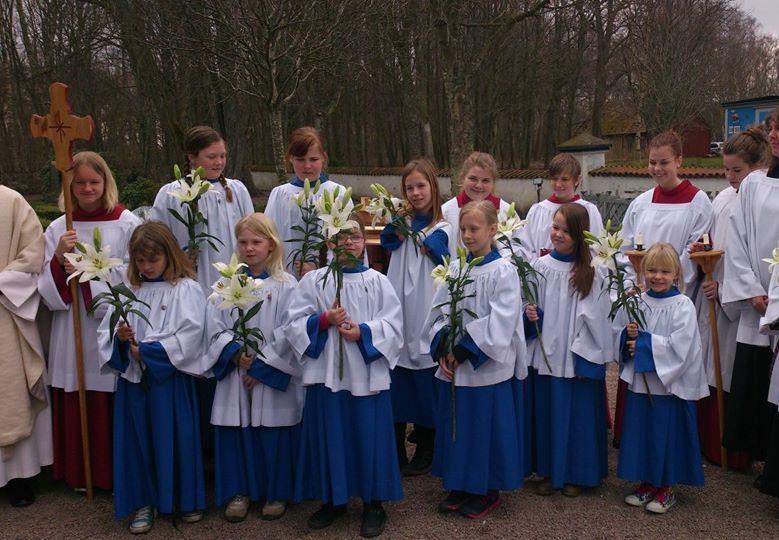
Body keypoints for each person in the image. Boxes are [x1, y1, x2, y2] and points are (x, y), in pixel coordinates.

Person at [282, 216, 403, 538]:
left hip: (365, 375)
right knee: (330, 435)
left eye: (354, 237)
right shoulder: (313, 281)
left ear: (364, 242)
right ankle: (332, 500)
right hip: (327, 376)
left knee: (369, 437)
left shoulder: (379, 281)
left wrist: (363, 332)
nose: (347, 243)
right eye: (339, 237)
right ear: (328, 243)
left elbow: (393, 327)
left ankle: (373, 503)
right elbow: (293, 323)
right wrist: (323, 319)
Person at [38, 151, 141, 491]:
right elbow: (46, 292)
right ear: (69, 186)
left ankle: (116, 473)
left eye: (93, 181)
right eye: (79, 182)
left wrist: (86, 276)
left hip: (109, 322)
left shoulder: (126, 223)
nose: (87, 188)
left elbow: (135, 274)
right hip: (71, 327)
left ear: (105, 182)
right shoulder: (58, 228)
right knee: (77, 390)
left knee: (111, 388)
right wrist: (57, 260)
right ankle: (81, 474)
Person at [97, 222, 207, 534]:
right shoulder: (128, 291)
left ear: (170, 255)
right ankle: (143, 502)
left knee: (176, 439)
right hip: (135, 384)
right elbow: (106, 333)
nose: (146, 267)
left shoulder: (185, 289)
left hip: (169, 382)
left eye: (153, 260)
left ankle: (184, 500)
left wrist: (148, 351)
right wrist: (120, 338)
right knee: (138, 441)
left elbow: (193, 332)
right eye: (140, 261)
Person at [425, 201, 525, 519]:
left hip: (484, 364)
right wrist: (443, 345)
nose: (467, 235)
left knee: (485, 426)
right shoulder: (456, 268)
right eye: (463, 229)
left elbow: (503, 319)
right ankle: (460, 483)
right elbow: (439, 309)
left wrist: (465, 349)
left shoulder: (504, 271)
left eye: (474, 229)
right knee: (458, 423)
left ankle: (486, 488)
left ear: (493, 230)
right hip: (455, 365)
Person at [613, 131, 714, 447]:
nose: (657, 169)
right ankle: (631, 437)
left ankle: (669, 443)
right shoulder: (641, 203)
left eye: (664, 162)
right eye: (652, 162)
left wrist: (666, 281)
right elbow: (625, 248)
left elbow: (694, 252)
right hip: (642, 297)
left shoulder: (698, 202)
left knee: (670, 357)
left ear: (679, 161)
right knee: (636, 352)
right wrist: (633, 285)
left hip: (675, 297)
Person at [204, 213, 302, 522]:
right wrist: (235, 355)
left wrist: (260, 367)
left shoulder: (286, 285)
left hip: (269, 375)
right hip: (235, 373)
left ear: (271, 245)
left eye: (256, 242)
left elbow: (291, 330)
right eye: (243, 242)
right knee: (237, 430)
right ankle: (239, 491)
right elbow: (213, 327)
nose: (249, 248)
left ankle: (276, 492)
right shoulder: (224, 285)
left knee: (272, 431)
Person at [692, 127, 770, 469]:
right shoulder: (722, 199)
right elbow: (712, 241)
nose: (729, 177)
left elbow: (753, 254)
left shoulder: (762, 200)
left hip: (744, 302)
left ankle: (741, 451)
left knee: (737, 372)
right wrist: (701, 255)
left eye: (736, 170)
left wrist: (728, 290)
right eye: (726, 170)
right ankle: (712, 443)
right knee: (712, 368)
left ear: (756, 167)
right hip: (716, 296)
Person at [524, 204, 611, 496]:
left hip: (574, 355)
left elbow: (598, 316)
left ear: (580, 235)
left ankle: (577, 473)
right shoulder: (540, 267)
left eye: (565, 230)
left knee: (577, 417)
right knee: (549, 413)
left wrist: (585, 350)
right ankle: (550, 471)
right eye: (555, 227)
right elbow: (529, 302)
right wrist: (531, 314)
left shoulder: (592, 272)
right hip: (547, 352)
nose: (558, 234)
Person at [617, 243, 708, 514]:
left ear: (676, 274)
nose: (658, 277)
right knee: (643, 432)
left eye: (665, 272)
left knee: (666, 435)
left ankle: (666, 486)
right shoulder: (636, 302)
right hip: (642, 383)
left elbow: (683, 346)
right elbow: (620, 333)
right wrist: (627, 336)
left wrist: (642, 345)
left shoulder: (683, 305)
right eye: (652, 271)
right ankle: (647, 482)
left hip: (669, 387)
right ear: (643, 272)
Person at [380, 158, 450, 476]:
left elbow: (439, 249)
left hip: (424, 307)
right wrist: (398, 220)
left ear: (433, 187)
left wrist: (423, 236)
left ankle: (427, 445)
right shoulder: (401, 224)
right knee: (398, 378)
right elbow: (387, 242)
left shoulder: (443, 226)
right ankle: (395, 448)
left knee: (425, 379)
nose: (416, 192)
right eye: (409, 188)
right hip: (399, 309)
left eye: (421, 186)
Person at [722, 109, 779, 478]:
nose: (774, 135)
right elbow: (738, 238)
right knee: (756, 383)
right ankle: (756, 453)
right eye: (773, 128)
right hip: (755, 300)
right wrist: (752, 289)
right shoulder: (756, 183)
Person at [150, 125, 254, 295]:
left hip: (232, 278)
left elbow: (253, 232)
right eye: (211, 157)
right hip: (188, 278)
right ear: (192, 157)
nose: (219, 162)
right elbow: (157, 237)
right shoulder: (172, 193)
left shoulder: (236, 190)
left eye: (222, 156)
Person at [0, 185, 50, 507]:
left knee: (11, 389)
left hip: (5, 309)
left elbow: (34, 253)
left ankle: (19, 477)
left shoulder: (11, 201)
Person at [263, 126, 347, 277]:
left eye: (313, 159)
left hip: (326, 275)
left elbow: (348, 239)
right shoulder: (280, 195)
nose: (307, 166)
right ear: (290, 159)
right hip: (287, 274)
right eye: (300, 160)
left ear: (323, 158)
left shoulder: (338, 194)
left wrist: (319, 265)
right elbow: (268, 237)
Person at [518, 153, 604, 261]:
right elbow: (526, 246)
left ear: (577, 180)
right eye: (554, 179)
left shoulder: (589, 210)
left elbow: (597, 248)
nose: (558, 184)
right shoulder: (538, 211)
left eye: (564, 179)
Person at [441, 152, 510, 256]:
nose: (478, 185)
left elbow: (520, 249)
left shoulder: (506, 210)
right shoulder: (446, 211)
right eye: (473, 179)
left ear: (493, 183)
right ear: (463, 177)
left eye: (486, 180)